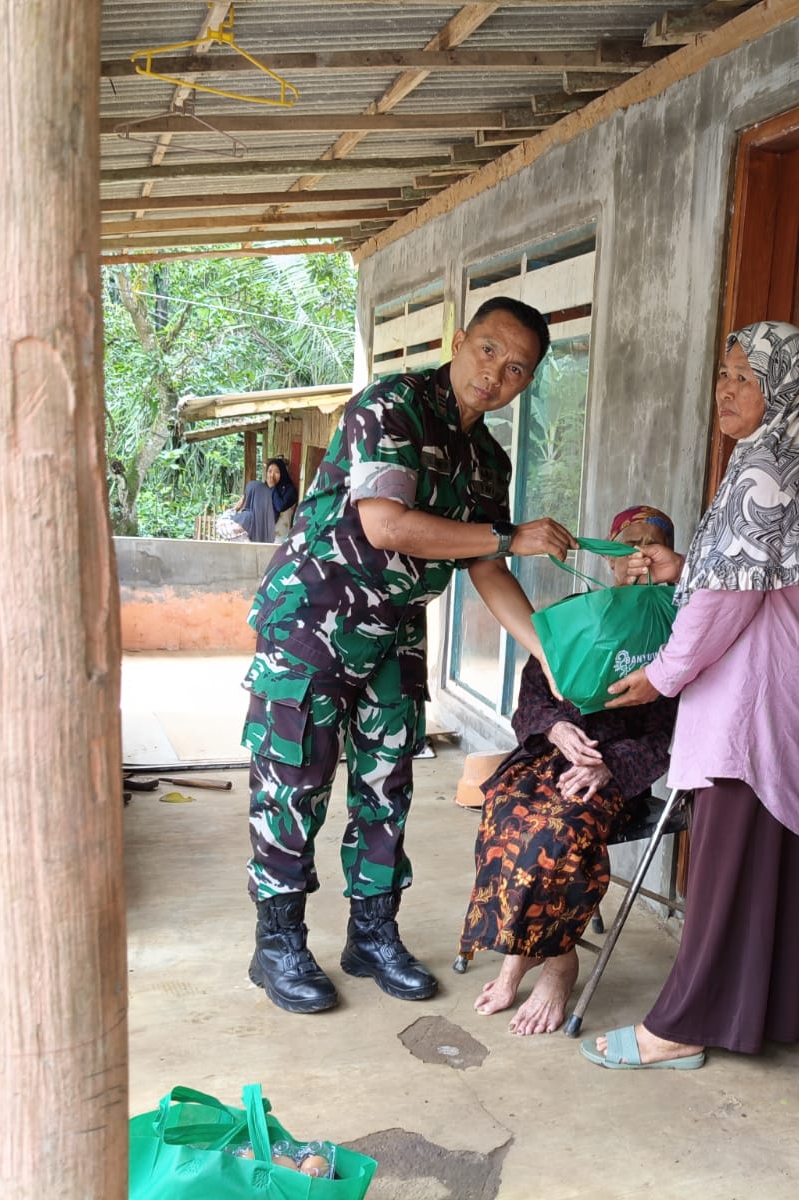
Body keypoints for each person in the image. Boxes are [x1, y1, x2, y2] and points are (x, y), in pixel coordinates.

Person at [242, 296, 576, 1015]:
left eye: (517, 368)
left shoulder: (486, 457)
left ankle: (372, 933)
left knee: (387, 788)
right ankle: (278, 944)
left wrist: (545, 650)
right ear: (458, 341)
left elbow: (487, 564)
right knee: (294, 786)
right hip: (313, 623)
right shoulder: (389, 408)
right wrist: (507, 536)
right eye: (488, 351)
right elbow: (388, 523)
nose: (496, 374)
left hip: (394, 630)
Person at [581, 321, 799, 1070]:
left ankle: (682, 1027)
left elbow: (729, 600)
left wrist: (659, 677)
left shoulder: (767, 468)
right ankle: (759, 1013)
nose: (726, 388)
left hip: (755, 698)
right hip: (785, 686)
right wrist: (683, 565)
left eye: (746, 377)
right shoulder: (790, 460)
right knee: (759, 861)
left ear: (782, 390)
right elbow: (746, 570)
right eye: (725, 373)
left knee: (729, 863)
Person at [459, 505, 681, 1036]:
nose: (636, 560)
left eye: (649, 547)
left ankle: (557, 963)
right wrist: (557, 729)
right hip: (548, 754)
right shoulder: (577, 615)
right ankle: (522, 952)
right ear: (606, 556)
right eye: (626, 546)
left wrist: (610, 767)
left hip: (615, 770)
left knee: (560, 830)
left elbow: (677, 732)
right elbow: (531, 702)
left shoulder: (679, 626)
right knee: (505, 811)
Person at [222, 457, 298, 543]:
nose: (272, 475)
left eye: (276, 472)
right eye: (269, 471)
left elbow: (280, 506)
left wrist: (272, 487)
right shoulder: (262, 490)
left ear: (283, 473)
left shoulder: (289, 490)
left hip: (278, 536)